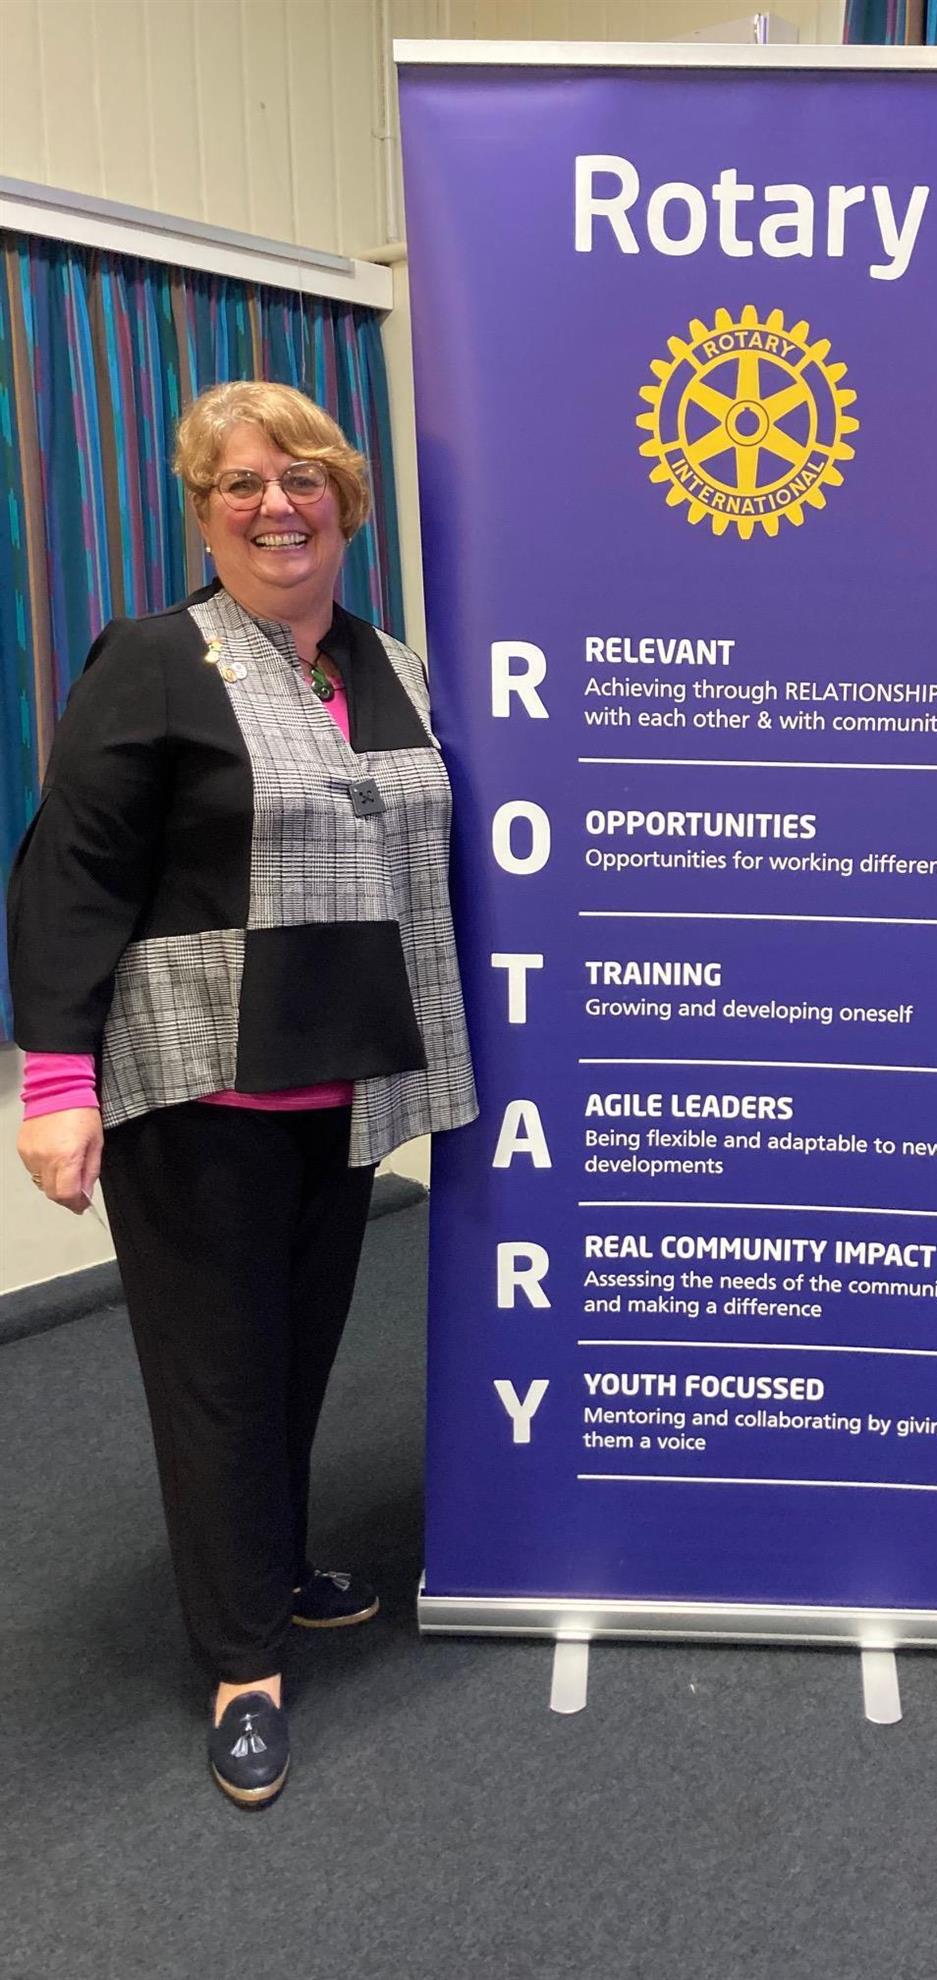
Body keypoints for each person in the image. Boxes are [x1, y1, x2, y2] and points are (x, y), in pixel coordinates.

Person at [9, 380, 476, 1805]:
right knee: (217, 1385)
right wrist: (57, 1082)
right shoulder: (158, 659)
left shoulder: (389, 664)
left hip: (342, 1092)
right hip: (198, 1093)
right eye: (240, 487)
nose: (277, 506)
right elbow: (72, 871)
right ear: (205, 515)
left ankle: (265, 1568)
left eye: (302, 479)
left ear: (345, 501)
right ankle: (241, 1663)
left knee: (292, 1362)